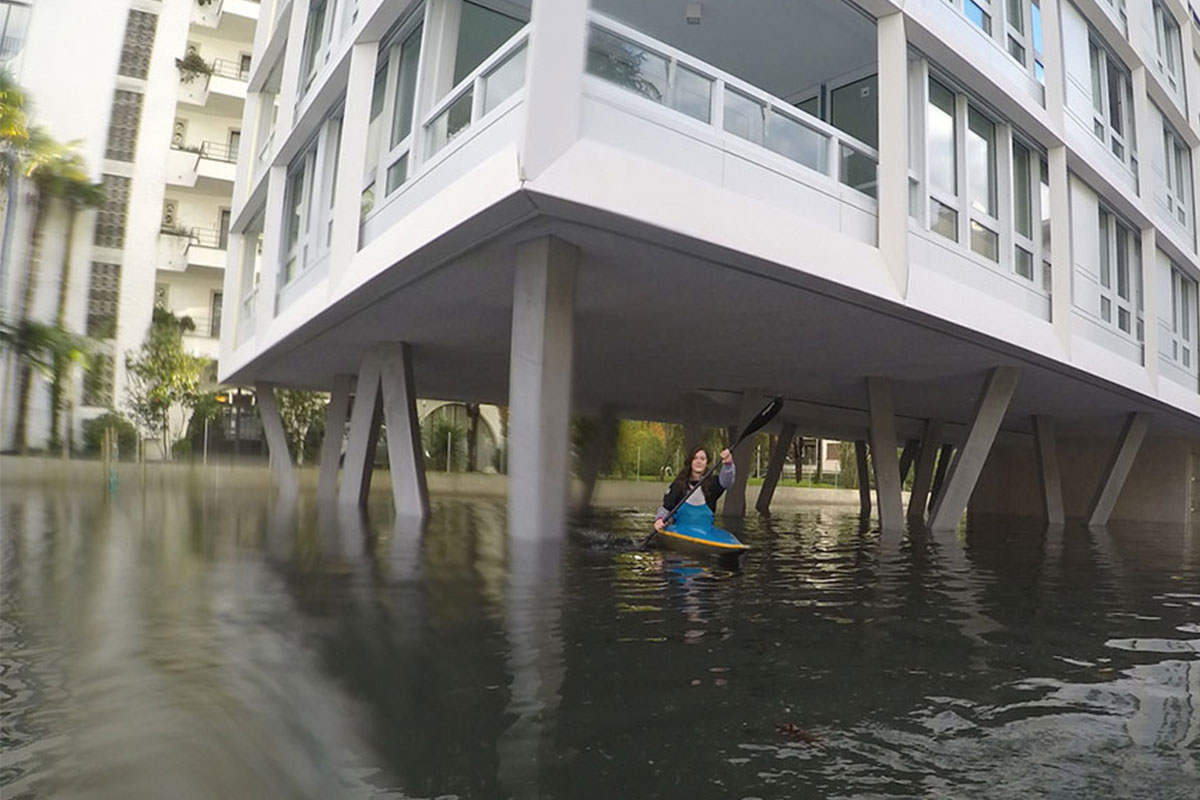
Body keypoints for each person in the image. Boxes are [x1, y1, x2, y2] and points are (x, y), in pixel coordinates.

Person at [654, 444, 734, 532]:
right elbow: (666, 509)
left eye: (702, 459)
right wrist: (660, 520)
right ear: (690, 462)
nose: (698, 461)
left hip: (705, 532)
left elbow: (727, 482)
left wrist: (728, 465)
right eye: (695, 458)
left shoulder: (713, 483)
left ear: (707, 463)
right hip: (680, 530)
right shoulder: (678, 485)